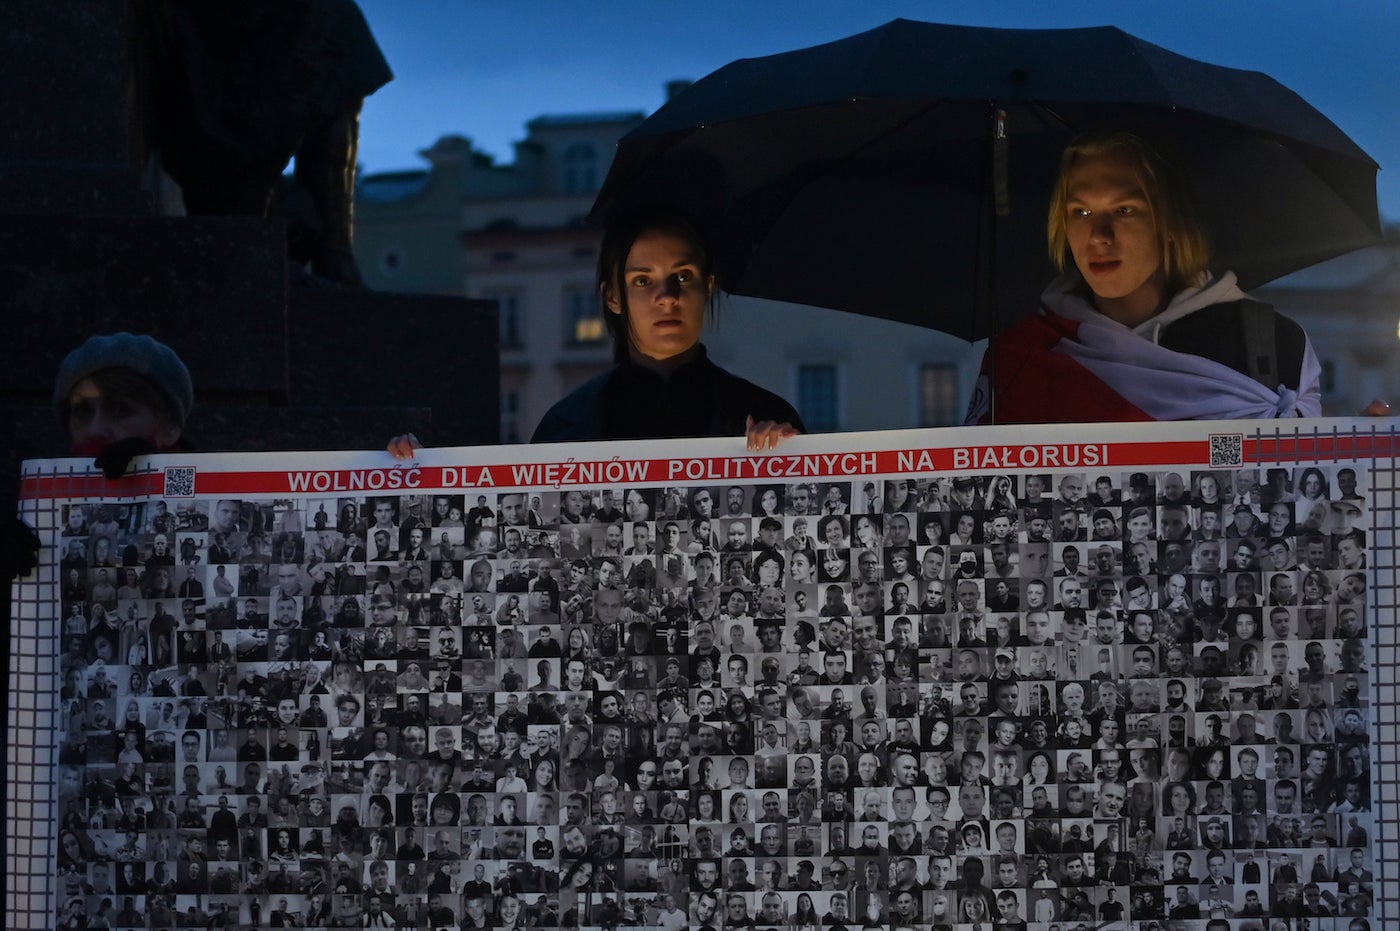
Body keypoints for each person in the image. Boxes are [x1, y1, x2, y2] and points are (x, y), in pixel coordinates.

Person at [967, 130, 1326, 424]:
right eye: (1082, 211)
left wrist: (1367, 449)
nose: (1098, 235)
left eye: (1124, 210)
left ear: (1169, 221)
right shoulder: (1021, 356)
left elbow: (1307, 494)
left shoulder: (1274, 343)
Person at [391, 206, 802, 454]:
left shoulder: (767, 416)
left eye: (683, 275)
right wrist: (424, 476)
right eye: (643, 280)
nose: (667, 296)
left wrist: (799, 457)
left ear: (708, 286)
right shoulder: (566, 425)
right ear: (613, 297)